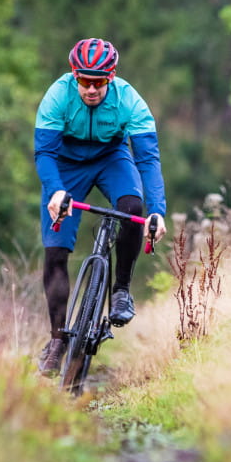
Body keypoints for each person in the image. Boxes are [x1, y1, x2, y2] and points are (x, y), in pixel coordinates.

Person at [33, 38, 167, 375]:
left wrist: (157, 210)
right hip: (65, 163)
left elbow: (148, 160)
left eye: (99, 82)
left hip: (111, 158)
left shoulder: (130, 102)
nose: (91, 89)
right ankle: (57, 339)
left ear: (112, 77)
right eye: (84, 81)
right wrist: (55, 191)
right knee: (55, 253)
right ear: (73, 75)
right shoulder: (57, 96)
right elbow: (44, 153)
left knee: (132, 205)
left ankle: (121, 290)